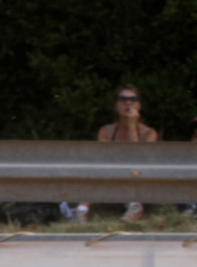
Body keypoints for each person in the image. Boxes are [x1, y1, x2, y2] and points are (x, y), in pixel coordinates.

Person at [63, 85, 161, 223]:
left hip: (139, 185)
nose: (128, 103)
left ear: (139, 105)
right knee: (95, 167)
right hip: (110, 182)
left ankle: (135, 206)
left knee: (135, 170)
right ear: (116, 106)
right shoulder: (106, 131)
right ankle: (82, 211)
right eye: (123, 99)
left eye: (133, 99)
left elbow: (139, 160)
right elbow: (102, 159)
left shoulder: (149, 133)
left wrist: (132, 126)